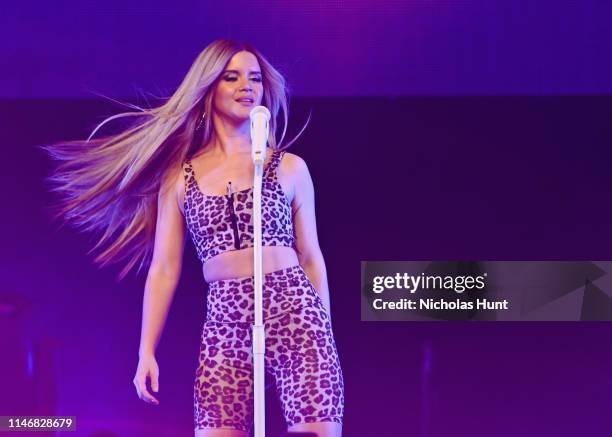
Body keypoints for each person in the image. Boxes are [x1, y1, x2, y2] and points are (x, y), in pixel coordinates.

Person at [42, 39, 344, 437]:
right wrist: (145, 350)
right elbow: (165, 268)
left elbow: (311, 257)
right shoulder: (181, 178)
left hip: (295, 311)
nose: (246, 86)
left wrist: (324, 333)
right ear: (209, 87)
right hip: (226, 320)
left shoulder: (288, 167)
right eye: (231, 77)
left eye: (254, 78)